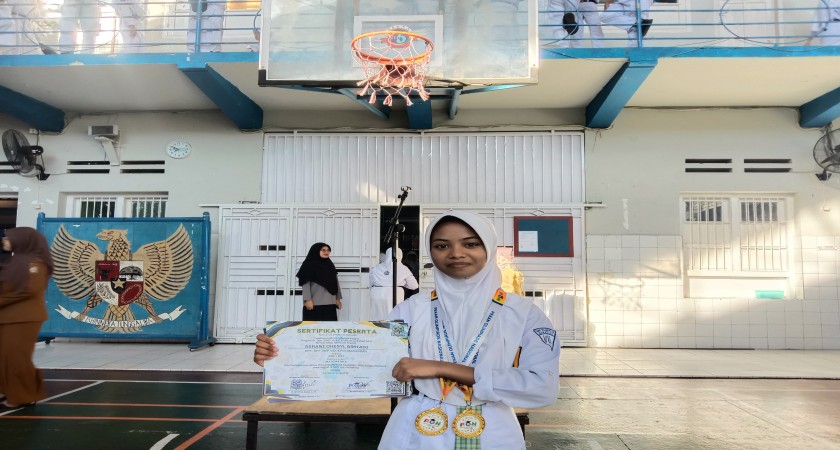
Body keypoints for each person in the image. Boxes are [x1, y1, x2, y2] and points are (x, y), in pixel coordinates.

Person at [254, 211, 561, 449]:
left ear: (490, 248)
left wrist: (440, 367)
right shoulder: (411, 309)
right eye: (441, 245)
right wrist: (285, 357)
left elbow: (541, 387)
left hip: (493, 429)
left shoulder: (524, 314)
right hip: (415, 429)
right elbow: (368, 366)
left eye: (471, 243)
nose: (456, 253)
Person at [0, 227, 54, 410]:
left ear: (22, 240)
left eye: (8, 238)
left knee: (16, 357)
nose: (4, 241)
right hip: (7, 317)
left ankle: (23, 396)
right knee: (4, 356)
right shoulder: (15, 262)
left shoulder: (35, 264)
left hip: (24, 317)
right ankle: (7, 390)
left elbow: (28, 290)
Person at [369, 247, 419, 320]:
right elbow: (414, 285)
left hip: (376, 295)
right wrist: (402, 283)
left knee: (377, 319)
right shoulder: (403, 268)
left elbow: (370, 282)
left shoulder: (377, 267)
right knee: (393, 320)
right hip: (394, 295)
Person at [296, 242, 342, 321]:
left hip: (330, 303)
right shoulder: (308, 265)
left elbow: (335, 282)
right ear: (316, 250)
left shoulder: (330, 265)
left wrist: (337, 298)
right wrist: (307, 299)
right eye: (323, 250)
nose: (326, 252)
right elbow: (305, 283)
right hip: (314, 303)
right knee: (312, 327)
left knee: (329, 327)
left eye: (328, 250)